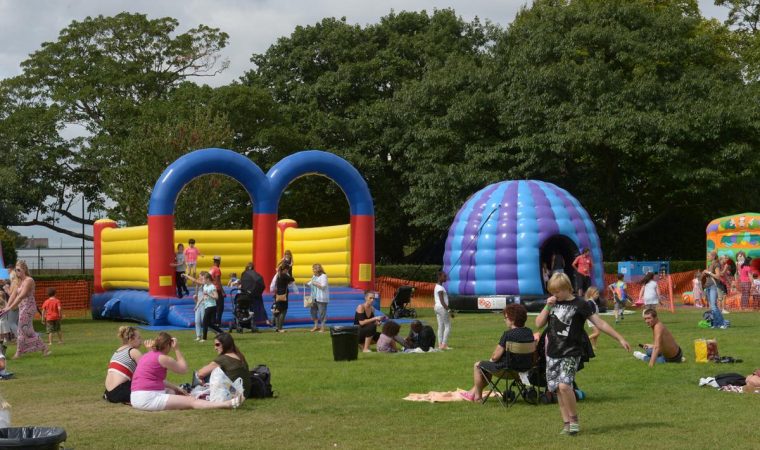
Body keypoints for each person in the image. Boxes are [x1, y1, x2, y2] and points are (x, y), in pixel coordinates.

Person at [536, 272, 630, 436]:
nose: (555, 295)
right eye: (552, 292)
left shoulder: (581, 304)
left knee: (565, 385)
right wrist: (547, 306)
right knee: (557, 389)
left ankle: (574, 420)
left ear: (567, 288)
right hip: (552, 352)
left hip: (571, 352)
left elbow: (599, 323)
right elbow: (538, 323)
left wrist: (620, 338)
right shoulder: (552, 303)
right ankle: (566, 423)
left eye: (557, 291)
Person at [130, 332, 242, 411]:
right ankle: (225, 404)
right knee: (191, 401)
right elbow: (183, 369)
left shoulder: (146, 356)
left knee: (172, 392)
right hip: (148, 398)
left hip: (135, 397)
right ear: (168, 345)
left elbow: (157, 380)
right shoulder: (163, 358)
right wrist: (177, 349)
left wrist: (177, 388)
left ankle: (177, 394)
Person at [460, 303, 534, 402]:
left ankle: (477, 397)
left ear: (512, 320)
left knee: (478, 366)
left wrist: (491, 360)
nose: (504, 320)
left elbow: (495, 356)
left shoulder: (508, 335)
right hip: (524, 370)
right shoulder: (529, 333)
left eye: (506, 317)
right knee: (487, 367)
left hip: (507, 370)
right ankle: (471, 392)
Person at [1, 261, 50, 359]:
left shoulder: (29, 280)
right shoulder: (20, 281)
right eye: (16, 270)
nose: (17, 272)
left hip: (28, 308)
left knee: (20, 331)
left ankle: (19, 353)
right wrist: (7, 306)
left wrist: (10, 308)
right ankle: (45, 349)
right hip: (22, 307)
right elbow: (14, 295)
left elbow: (21, 297)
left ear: (24, 270)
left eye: (18, 270)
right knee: (29, 332)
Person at [196, 332, 251, 399]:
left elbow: (200, 374)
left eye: (217, 344)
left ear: (225, 344)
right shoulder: (240, 355)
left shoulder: (223, 359)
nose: (215, 348)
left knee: (198, 375)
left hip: (232, 394)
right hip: (245, 393)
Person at [104, 326, 145, 403]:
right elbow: (149, 373)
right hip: (120, 392)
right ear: (130, 339)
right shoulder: (133, 352)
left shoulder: (118, 351)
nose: (141, 341)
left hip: (108, 393)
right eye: (139, 338)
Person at [185, 272, 222, 341]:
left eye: (203, 278)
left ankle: (204, 338)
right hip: (206, 305)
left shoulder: (212, 286)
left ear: (207, 279)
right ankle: (221, 332)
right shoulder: (205, 286)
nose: (201, 279)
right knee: (208, 323)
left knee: (205, 322)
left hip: (211, 306)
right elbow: (203, 297)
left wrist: (186, 275)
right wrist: (197, 305)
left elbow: (216, 297)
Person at [702, 251, 728, 329]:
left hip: (713, 286)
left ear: (713, 256)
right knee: (713, 306)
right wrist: (705, 273)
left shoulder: (716, 264)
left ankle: (723, 323)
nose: (707, 257)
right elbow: (709, 276)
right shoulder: (710, 264)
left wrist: (709, 272)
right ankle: (715, 324)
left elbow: (718, 276)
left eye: (709, 256)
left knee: (713, 306)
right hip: (708, 286)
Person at [240, 262, 266, 331]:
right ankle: (263, 320)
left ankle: (247, 321)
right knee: (253, 308)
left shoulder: (245, 274)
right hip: (252, 295)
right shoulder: (255, 276)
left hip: (244, 295)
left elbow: (242, 285)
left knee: (246, 308)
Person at [270, 263, 296, 332]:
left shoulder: (278, 275)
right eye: (287, 270)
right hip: (283, 295)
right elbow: (292, 279)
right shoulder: (284, 275)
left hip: (277, 294)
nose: (287, 271)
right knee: (283, 311)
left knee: (277, 310)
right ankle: (280, 328)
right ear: (285, 269)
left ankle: (276, 327)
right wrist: (288, 280)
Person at [307, 263, 330, 332]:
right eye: (313, 268)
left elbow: (323, 286)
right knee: (313, 312)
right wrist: (306, 284)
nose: (313, 270)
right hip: (313, 297)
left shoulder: (323, 276)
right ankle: (316, 326)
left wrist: (315, 283)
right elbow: (310, 284)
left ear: (318, 269)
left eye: (314, 268)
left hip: (321, 298)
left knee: (322, 313)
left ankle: (322, 327)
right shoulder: (314, 276)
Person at [434, 271, 452, 350]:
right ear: (439, 277)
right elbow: (442, 301)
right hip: (442, 308)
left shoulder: (437, 286)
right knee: (447, 326)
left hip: (437, 308)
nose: (446, 278)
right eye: (444, 276)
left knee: (440, 326)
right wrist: (449, 310)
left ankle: (440, 344)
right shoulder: (440, 288)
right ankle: (444, 344)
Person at [209, 256, 225, 326]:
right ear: (219, 262)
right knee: (220, 307)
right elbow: (218, 281)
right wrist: (222, 291)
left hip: (211, 289)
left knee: (213, 306)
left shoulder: (211, 269)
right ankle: (218, 322)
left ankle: (212, 321)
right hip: (217, 289)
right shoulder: (217, 269)